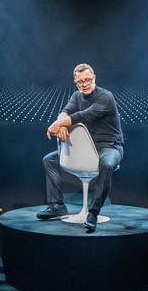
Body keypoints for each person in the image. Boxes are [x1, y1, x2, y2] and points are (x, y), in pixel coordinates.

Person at [37, 63, 123, 232]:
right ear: (75, 82)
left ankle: (93, 212)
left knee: (106, 164)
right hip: (85, 148)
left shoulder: (106, 97)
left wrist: (58, 124)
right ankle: (57, 205)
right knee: (49, 160)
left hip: (109, 146)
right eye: (80, 82)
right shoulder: (77, 96)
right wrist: (60, 124)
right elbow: (66, 111)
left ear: (94, 78)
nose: (84, 84)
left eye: (87, 80)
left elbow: (85, 115)